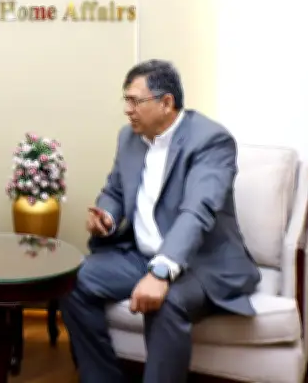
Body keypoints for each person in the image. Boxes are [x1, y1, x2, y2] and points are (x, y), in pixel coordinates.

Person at [61, 59, 260, 383]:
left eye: (134, 101)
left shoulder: (211, 140)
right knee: (70, 282)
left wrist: (161, 271)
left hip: (201, 264)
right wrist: (107, 217)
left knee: (166, 302)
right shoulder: (129, 138)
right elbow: (114, 190)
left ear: (166, 102)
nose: (127, 110)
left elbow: (197, 210)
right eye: (125, 100)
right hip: (140, 256)